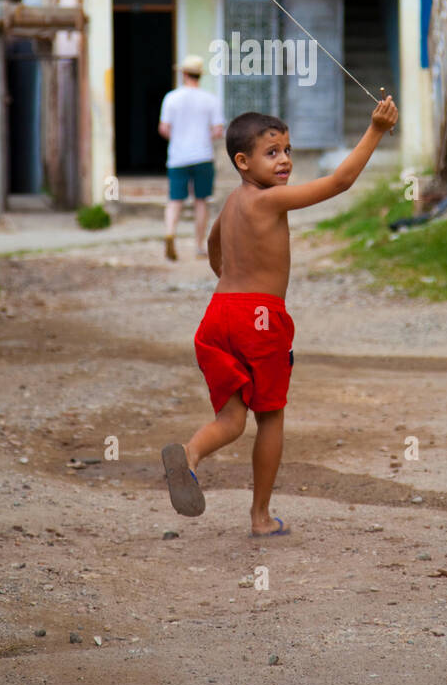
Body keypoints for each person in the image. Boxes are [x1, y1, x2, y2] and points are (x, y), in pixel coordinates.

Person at [161, 93, 399, 536]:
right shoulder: (270, 201)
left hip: (218, 316)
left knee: (230, 421)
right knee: (270, 416)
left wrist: (229, 275)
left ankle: (190, 456)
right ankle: (260, 517)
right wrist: (377, 131)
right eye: (272, 153)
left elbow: (214, 246)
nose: (284, 160)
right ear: (242, 161)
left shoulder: (233, 203)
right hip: (260, 319)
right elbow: (341, 182)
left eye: (287, 150)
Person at [158, 54, 225, 262]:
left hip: (178, 156)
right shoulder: (211, 99)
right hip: (203, 156)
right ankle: (198, 246)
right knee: (201, 201)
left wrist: (177, 138)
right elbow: (217, 131)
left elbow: (164, 128)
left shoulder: (171, 98)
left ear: (184, 74)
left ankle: (170, 234)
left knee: (174, 200)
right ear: (199, 75)